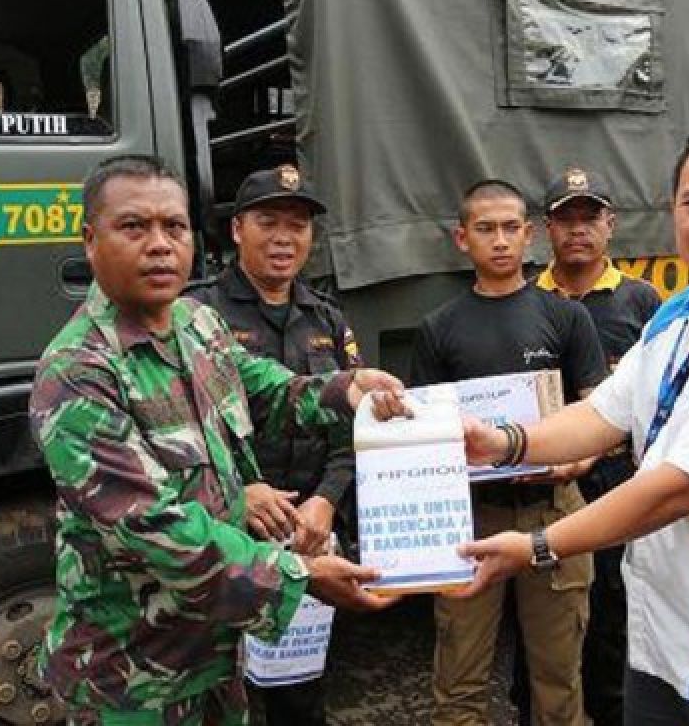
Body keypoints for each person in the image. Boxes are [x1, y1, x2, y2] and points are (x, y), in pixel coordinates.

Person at [434, 114, 689, 725]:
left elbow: (678, 487)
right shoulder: (679, 312)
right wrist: (500, 442)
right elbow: (603, 414)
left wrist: (536, 546)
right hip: (662, 649)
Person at [28, 155, 407, 725]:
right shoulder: (78, 372)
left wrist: (347, 389)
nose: (160, 245)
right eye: (134, 227)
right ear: (90, 240)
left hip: (215, 657)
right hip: (129, 679)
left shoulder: (196, 325)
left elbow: (264, 388)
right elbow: (154, 526)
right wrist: (301, 577)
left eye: (174, 227)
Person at [409, 179, 606, 726]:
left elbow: (597, 414)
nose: (500, 240)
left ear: (530, 234)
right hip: (471, 518)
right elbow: (423, 434)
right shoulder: (438, 328)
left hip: (553, 513)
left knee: (558, 679)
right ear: (461, 238)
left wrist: (577, 460)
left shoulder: (566, 317)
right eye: (485, 228)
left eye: (511, 228)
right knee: (459, 679)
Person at [187, 164, 361, 726]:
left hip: (306, 530)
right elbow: (180, 430)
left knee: (299, 691)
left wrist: (326, 500)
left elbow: (350, 428)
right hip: (223, 530)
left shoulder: (326, 318)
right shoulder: (197, 314)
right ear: (238, 230)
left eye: (298, 225)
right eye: (269, 221)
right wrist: (241, 491)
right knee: (216, 682)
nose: (285, 237)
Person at [536, 167, 661, 726]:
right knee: (543, 625)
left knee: (613, 618)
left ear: (611, 226)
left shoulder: (641, 300)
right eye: (566, 219)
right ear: (547, 229)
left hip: (616, 481)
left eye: (590, 218)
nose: (578, 230)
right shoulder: (523, 298)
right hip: (544, 481)